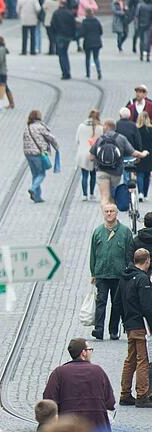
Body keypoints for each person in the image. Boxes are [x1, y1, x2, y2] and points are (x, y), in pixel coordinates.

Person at [43, 338, 115, 429]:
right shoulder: (98, 371)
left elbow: (49, 400)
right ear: (83, 353)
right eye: (89, 349)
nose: (91, 352)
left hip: (68, 425)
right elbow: (110, 402)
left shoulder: (59, 373)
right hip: (97, 425)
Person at [89, 203, 134, 340]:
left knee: (117, 303)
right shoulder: (97, 232)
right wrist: (93, 273)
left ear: (116, 213)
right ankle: (99, 328)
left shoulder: (125, 232)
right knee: (101, 301)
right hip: (102, 273)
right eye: (107, 211)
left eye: (111, 211)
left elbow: (129, 254)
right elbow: (93, 254)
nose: (109, 214)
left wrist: (129, 272)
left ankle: (113, 330)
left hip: (118, 274)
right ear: (103, 213)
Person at [117, 248, 152, 407]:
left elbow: (117, 302)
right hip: (140, 325)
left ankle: (125, 394)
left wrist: (123, 322)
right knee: (142, 360)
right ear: (147, 261)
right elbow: (147, 306)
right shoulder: (142, 279)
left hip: (129, 324)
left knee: (130, 359)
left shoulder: (124, 277)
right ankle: (142, 394)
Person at [89, 119, 149, 206]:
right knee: (112, 197)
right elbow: (133, 153)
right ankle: (112, 216)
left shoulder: (100, 139)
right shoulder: (121, 138)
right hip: (115, 172)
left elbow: (91, 157)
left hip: (101, 171)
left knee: (105, 197)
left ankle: (106, 217)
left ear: (106, 126)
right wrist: (143, 154)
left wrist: (100, 161)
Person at [23, 110, 59, 203]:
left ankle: (37, 197)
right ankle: (33, 188)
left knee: (35, 174)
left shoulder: (28, 127)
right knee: (41, 174)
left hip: (28, 154)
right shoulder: (40, 127)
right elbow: (51, 138)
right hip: (38, 154)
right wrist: (56, 147)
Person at [75, 109, 102, 201]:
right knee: (93, 175)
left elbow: (77, 140)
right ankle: (91, 193)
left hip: (82, 154)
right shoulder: (100, 128)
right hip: (94, 154)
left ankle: (84, 194)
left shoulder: (81, 126)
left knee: (84, 175)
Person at [51, 0, 76, 79]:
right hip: (68, 36)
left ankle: (65, 72)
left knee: (62, 55)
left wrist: (54, 36)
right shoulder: (70, 13)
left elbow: (53, 25)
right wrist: (73, 36)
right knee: (65, 53)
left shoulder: (56, 13)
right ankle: (67, 70)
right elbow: (73, 25)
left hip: (60, 36)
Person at [80, 9, 103, 79]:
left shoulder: (84, 22)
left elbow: (82, 33)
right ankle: (99, 71)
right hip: (97, 42)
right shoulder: (96, 21)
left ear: (86, 14)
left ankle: (88, 73)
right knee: (96, 58)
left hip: (88, 42)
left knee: (87, 58)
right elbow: (101, 31)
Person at [0, 35, 14, 109]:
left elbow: (0, 60)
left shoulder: (0, 49)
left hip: (1, 71)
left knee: (4, 87)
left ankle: (10, 103)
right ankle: (11, 103)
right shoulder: (2, 48)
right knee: (4, 86)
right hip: (2, 71)